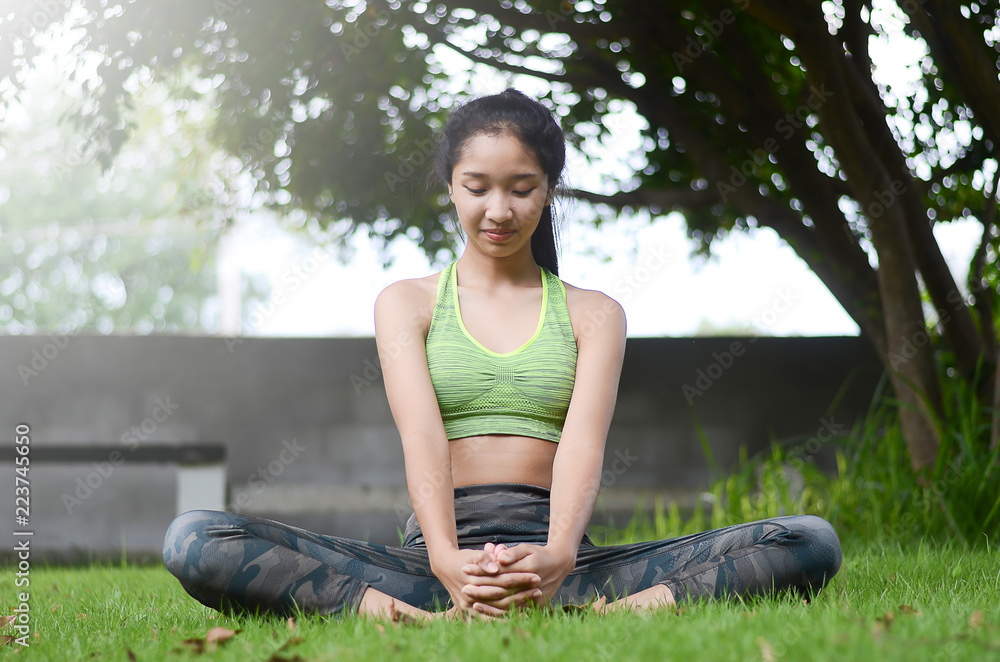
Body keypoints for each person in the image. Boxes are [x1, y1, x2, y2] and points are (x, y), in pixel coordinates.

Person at [162, 88, 842, 620]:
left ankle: (609, 613)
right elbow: (423, 440)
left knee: (808, 540)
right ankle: (411, 617)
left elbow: (582, 447)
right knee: (195, 537)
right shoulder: (407, 303)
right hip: (430, 563)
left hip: (562, 561)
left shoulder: (594, 313)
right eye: (477, 186)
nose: (499, 209)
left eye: (522, 188)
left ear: (549, 191)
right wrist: (450, 565)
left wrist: (556, 558)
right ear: (450, 185)